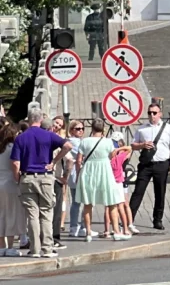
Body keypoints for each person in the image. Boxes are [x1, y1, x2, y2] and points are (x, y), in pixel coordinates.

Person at [9, 110, 73, 257]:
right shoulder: (49, 135)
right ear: (40, 120)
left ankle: (35, 249)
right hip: (45, 177)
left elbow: (15, 162)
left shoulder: (21, 138)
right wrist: (54, 162)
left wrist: (17, 177)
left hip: (27, 177)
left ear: (29, 120)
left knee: (32, 215)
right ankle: (47, 248)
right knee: (46, 214)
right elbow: (68, 146)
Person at [129, 103, 170, 231]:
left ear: (160, 114)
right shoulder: (142, 129)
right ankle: (129, 219)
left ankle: (157, 220)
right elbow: (133, 145)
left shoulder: (168, 128)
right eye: (149, 113)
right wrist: (142, 145)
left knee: (160, 193)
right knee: (138, 192)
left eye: (154, 113)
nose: (152, 115)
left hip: (162, 164)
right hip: (146, 165)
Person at [75, 118, 121, 242]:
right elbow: (112, 156)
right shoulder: (108, 142)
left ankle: (88, 232)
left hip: (88, 170)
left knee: (88, 203)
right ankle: (116, 231)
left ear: (92, 128)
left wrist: (79, 174)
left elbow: (79, 160)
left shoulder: (85, 141)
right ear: (103, 129)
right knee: (111, 202)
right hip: (104, 170)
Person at [0, 123, 22, 257]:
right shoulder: (13, 147)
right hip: (10, 182)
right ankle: (11, 246)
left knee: (0, 214)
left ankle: (1, 246)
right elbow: (16, 165)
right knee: (12, 214)